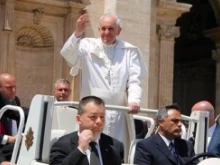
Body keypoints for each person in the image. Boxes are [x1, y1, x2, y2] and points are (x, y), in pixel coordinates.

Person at [60, 13, 147, 158]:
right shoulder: (87, 45)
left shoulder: (129, 51)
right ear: (99, 29)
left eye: (111, 29)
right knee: (89, 147)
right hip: (91, 110)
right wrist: (78, 33)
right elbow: (68, 54)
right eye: (103, 29)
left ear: (118, 31)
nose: (106, 33)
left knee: (115, 149)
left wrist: (134, 100)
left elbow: (134, 80)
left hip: (118, 111)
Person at [50, 96, 124, 165]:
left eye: (102, 117)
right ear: (79, 119)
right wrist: (80, 150)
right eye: (93, 117)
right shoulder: (62, 145)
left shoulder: (114, 146)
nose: (99, 121)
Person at [0, 73, 23, 165]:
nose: (13, 91)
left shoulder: (15, 101)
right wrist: (10, 139)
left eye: (14, 87)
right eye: (9, 88)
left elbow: (17, 116)